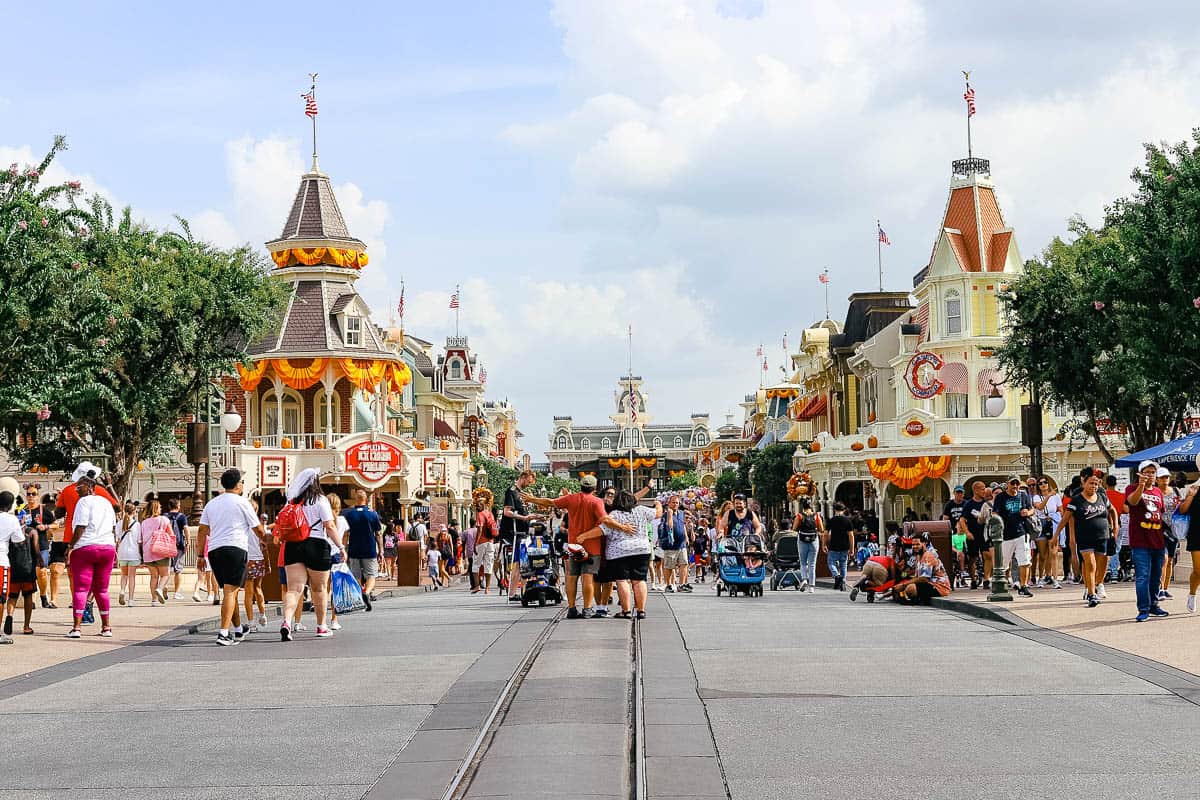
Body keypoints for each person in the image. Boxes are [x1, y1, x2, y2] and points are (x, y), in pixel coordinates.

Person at [522, 475, 632, 619]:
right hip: (592, 547)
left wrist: (532, 499)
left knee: (571, 577)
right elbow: (605, 519)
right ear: (594, 488)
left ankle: (572, 608)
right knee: (588, 577)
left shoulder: (570, 499)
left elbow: (551, 502)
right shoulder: (596, 501)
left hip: (573, 545)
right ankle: (587, 608)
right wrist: (623, 527)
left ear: (581, 486)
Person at [199, 469, 267, 645]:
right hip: (235, 548)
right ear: (238, 484)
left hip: (215, 550)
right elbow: (258, 529)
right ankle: (223, 633)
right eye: (242, 482)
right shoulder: (243, 503)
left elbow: (202, 531)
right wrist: (264, 539)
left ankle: (238, 629)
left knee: (230, 590)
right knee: (231, 591)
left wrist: (200, 555)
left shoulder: (211, 504)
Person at [280, 469, 343, 640]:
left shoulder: (292, 501)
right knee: (319, 588)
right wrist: (341, 546)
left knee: (294, 589)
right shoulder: (320, 500)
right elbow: (329, 526)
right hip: (316, 543)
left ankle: (286, 621)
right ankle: (321, 626)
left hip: (293, 545)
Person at [589, 490, 660, 619]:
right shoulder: (642, 510)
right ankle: (641, 610)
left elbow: (601, 530)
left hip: (618, 552)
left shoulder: (614, 515)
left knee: (622, 580)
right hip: (641, 549)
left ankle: (626, 611)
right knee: (639, 580)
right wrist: (658, 503)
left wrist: (582, 536)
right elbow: (658, 513)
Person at [65, 475, 117, 639]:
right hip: (107, 548)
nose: (77, 490)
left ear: (89, 486)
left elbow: (81, 526)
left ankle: (76, 628)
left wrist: (70, 546)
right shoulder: (106, 503)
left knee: (81, 588)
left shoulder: (84, 502)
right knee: (102, 589)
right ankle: (106, 627)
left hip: (86, 548)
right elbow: (114, 528)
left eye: (79, 487)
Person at [1126, 460, 1169, 622]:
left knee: (1156, 575)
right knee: (1143, 576)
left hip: (1157, 540)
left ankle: (1154, 605)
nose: (1150, 475)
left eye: (1152, 472)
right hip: (1140, 541)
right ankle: (1143, 609)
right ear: (1140, 473)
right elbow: (1133, 502)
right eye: (1147, 472)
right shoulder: (1132, 488)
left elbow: (1161, 513)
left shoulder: (1158, 492)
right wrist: (1141, 486)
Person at [1065, 469, 1115, 608]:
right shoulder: (1076, 495)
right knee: (1088, 563)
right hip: (1084, 533)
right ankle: (1090, 588)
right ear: (1083, 480)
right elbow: (1070, 518)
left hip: (1104, 532)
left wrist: (1113, 527)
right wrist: (1072, 538)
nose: (1096, 482)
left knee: (1104, 559)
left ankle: (1099, 583)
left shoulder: (1102, 493)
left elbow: (1110, 510)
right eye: (1092, 479)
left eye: (1098, 479)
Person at [992, 476, 1036, 597]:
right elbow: (995, 512)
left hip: (1021, 532)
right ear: (1008, 484)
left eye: (1017, 483)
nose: (1015, 486)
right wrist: (997, 522)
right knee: (1004, 563)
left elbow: (1032, 509)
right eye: (1013, 483)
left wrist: (1028, 512)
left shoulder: (1023, 495)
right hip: (1006, 534)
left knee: (1024, 560)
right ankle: (1002, 584)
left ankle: (1024, 586)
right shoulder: (1001, 497)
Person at [4, 492, 37, 639]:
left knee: (12, 597)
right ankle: (26, 625)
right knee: (28, 596)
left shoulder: (9, 530)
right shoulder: (31, 532)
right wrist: (40, 562)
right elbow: (36, 549)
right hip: (28, 567)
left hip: (13, 566)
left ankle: (10, 615)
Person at [501, 470, 538, 600]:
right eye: (528, 481)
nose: (528, 484)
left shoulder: (522, 493)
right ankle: (512, 593)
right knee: (518, 562)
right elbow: (507, 511)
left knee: (524, 562)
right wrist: (523, 517)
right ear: (523, 477)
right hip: (515, 532)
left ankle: (523, 590)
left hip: (524, 531)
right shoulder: (512, 491)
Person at [342, 489, 383, 604]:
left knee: (355, 574)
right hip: (369, 548)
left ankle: (360, 592)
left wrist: (343, 548)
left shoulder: (349, 515)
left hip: (354, 548)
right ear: (366, 499)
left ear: (355, 499)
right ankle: (367, 591)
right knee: (371, 575)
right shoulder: (372, 514)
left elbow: (346, 534)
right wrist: (381, 550)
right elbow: (378, 534)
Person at [893, 532, 951, 604]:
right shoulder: (917, 556)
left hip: (938, 586)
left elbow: (924, 578)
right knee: (901, 585)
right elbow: (913, 572)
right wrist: (903, 575)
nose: (914, 546)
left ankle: (916, 599)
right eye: (913, 545)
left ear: (924, 543)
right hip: (926, 583)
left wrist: (903, 585)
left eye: (917, 544)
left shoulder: (928, 555)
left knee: (910, 588)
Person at [139, 498, 174, 604]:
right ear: (156, 508)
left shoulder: (143, 522)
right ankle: (160, 588)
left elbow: (141, 538)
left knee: (153, 576)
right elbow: (171, 534)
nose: (161, 508)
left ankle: (154, 600)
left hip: (147, 552)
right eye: (159, 507)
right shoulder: (164, 519)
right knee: (165, 575)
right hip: (160, 550)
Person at [959, 482, 993, 590]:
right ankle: (973, 579)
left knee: (987, 555)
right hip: (973, 534)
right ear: (976, 490)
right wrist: (967, 532)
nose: (984, 491)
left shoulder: (986, 503)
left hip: (984, 534)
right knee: (972, 558)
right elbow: (962, 520)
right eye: (982, 489)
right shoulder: (969, 504)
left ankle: (986, 579)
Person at [1157, 468, 1181, 601]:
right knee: (1164, 559)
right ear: (1157, 480)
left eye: (1166, 477)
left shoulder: (1175, 491)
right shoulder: (1155, 492)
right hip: (1159, 530)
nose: (1164, 480)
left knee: (1170, 560)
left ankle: (1165, 589)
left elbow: (1180, 507)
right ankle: (1159, 588)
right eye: (1161, 477)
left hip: (1174, 530)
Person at [658, 495, 690, 593]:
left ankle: (681, 584)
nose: (675, 504)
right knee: (669, 566)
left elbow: (682, 525)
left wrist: (686, 536)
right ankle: (668, 585)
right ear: (669, 503)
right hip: (670, 544)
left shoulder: (681, 513)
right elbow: (669, 526)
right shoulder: (666, 514)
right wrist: (670, 515)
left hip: (681, 543)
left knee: (684, 563)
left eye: (677, 502)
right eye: (673, 502)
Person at [243, 511, 268, 631]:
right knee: (258, 588)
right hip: (259, 559)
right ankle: (262, 613)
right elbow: (264, 546)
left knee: (248, 593)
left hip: (249, 560)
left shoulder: (242, 527)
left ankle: (251, 622)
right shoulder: (259, 526)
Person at [792, 499, 823, 593]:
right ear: (811, 505)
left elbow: (794, 528)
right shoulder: (817, 516)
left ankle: (804, 579)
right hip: (814, 540)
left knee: (803, 562)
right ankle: (812, 586)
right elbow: (821, 529)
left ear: (803, 506)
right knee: (812, 564)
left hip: (802, 540)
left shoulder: (800, 516)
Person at [471, 489, 498, 594]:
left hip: (481, 542)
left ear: (481, 504)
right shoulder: (490, 514)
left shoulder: (480, 514)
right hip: (490, 542)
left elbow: (480, 529)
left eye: (478, 505)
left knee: (476, 564)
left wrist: (475, 543)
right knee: (488, 564)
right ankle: (487, 588)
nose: (477, 507)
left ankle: (477, 586)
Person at [1179, 478, 1200, 611]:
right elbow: (1182, 510)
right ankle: (1192, 594)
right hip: (1196, 533)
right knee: (1198, 571)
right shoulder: (1194, 488)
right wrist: (1191, 495)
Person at [116, 500, 142, 606]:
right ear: (134, 512)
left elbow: (117, 539)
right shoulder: (137, 524)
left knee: (124, 575)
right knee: (132, 577)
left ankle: (122, 590)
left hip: (122, 553)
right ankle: (131, 599)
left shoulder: (119, 523)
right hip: (133, 553)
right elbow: (139, 540)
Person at [824, 502, 854, 591]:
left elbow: (825, 534)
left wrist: (824, 544)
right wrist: (852, 548)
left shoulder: (831, 520)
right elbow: (851, 535)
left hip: (833, 546)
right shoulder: (847, 521)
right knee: (843, 565)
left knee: (831, 563)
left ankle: (836, 575)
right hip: (845, 546)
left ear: (834, 510)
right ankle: (843, 583)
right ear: (844, 510)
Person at [164, 498, 189, 600]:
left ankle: (164, 586)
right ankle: (177, 592)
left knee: (166, 568)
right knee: (178, 570)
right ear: (178, 506)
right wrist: (187, 542)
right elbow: (186, 529)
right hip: (178, 545)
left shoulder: (164, 516)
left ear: (169, 506)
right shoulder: (182, 516)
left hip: (166, 545)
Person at [381, 518, 399, 582]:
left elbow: (382, 541)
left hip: (386, 549)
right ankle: (393, 576)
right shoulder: (395, 534)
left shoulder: (384, 534)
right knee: (393, 564)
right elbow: (397, 541)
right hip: (394, 549)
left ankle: (389, 576)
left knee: (388, 564)